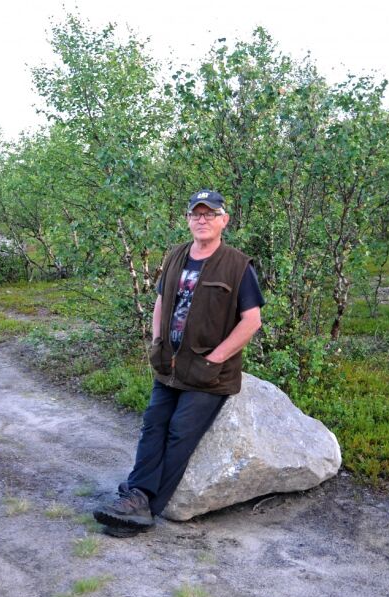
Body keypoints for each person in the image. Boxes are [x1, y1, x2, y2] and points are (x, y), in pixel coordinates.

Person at [93, 189, 265, 537]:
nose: (202, 219)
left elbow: (252, 321)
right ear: (188, 219)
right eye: (196, 214)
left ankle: (143, 506)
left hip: (210, 375)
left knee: (179, 433)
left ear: (223, 220)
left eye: (210, 214)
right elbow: (160, 301)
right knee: (153, 424)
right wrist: (157, 341)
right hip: (171, 367)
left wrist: (214, 359)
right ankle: (135, 499)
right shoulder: (176, 256)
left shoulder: (238, 265)